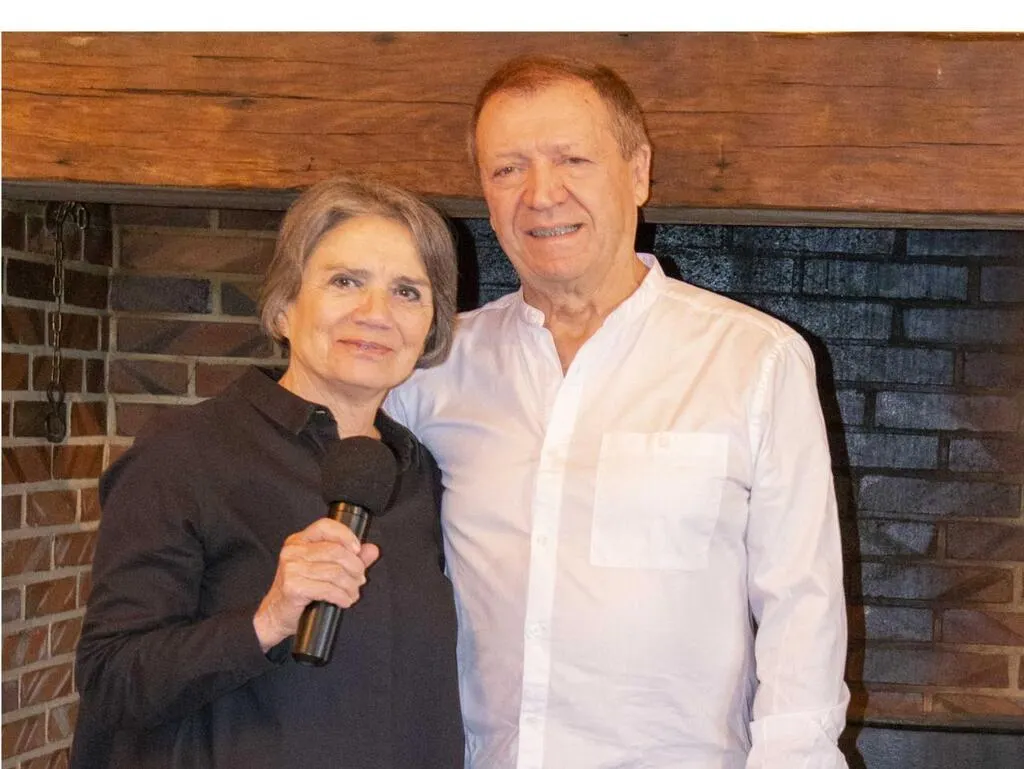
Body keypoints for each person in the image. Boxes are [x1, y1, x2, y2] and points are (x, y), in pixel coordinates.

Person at [385, 55, 850, 768]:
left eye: (572, 159)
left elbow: (802, 608)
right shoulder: (433, 367)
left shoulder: (755, 361)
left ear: (637, 172)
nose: (542, 194)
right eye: (508, 169)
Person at [71, 176, 464, 768]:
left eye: (407, 292)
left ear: (431, 328)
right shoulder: (186, 454)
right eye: (345, 281)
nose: (376, 313)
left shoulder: (420, 474)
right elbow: (111, 678)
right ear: (284, 307)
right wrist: (267, 621)